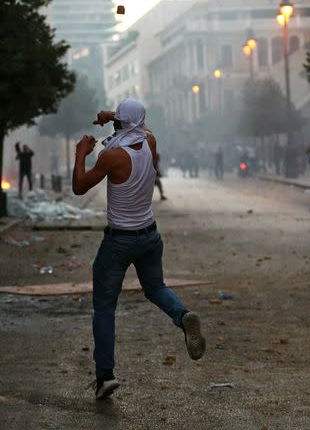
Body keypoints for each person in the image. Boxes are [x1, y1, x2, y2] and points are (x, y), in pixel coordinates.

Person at [73, 98, 205, 400]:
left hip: (119, 241)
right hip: (149, 236)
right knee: (156, 287)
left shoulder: (111, 156)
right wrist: (115, 117)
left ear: (120, 122)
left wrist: (81, 154)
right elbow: (138, 126)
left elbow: (79, 187)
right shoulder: (150, 142)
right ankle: (183, 317)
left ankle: (105, 376)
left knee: (105, 307)